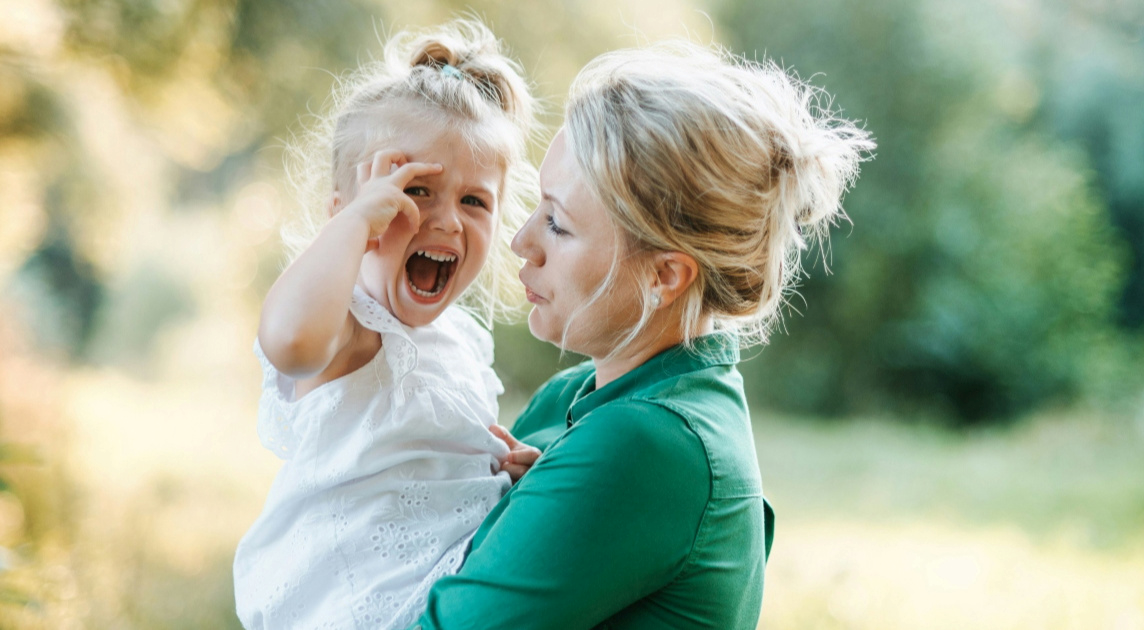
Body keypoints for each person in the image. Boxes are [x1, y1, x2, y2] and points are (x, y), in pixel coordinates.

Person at [417, 41, 874, 629]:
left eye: (557, 224)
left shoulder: (649, 445)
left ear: (666, 275)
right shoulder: (578, 395)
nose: (521, 243)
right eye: (537, 208)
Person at [232, 19, 538, 630]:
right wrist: (353, 230)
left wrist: (503, 473)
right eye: (417, 191)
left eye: (475, 201)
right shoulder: (346, 327)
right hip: (349, 607)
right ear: (347, 210)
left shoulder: (459, 345)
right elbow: (289, 344)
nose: (448, 222)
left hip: (436, 598)